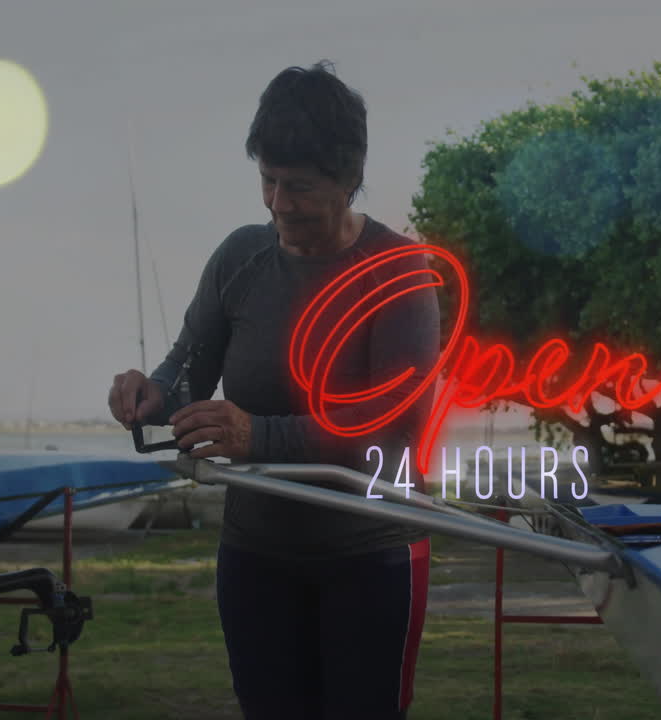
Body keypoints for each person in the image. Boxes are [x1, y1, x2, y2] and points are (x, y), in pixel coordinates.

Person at [107, 61, 440, 720]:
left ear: (348, 180)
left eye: (301, 186)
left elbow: (391, 428)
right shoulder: (240, 259)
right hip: (256, 557)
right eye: (268, 180)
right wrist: (155, 394)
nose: (279, 203)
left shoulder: (401, 273)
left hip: (372, 559)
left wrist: (257, 435)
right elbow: (189, 366)